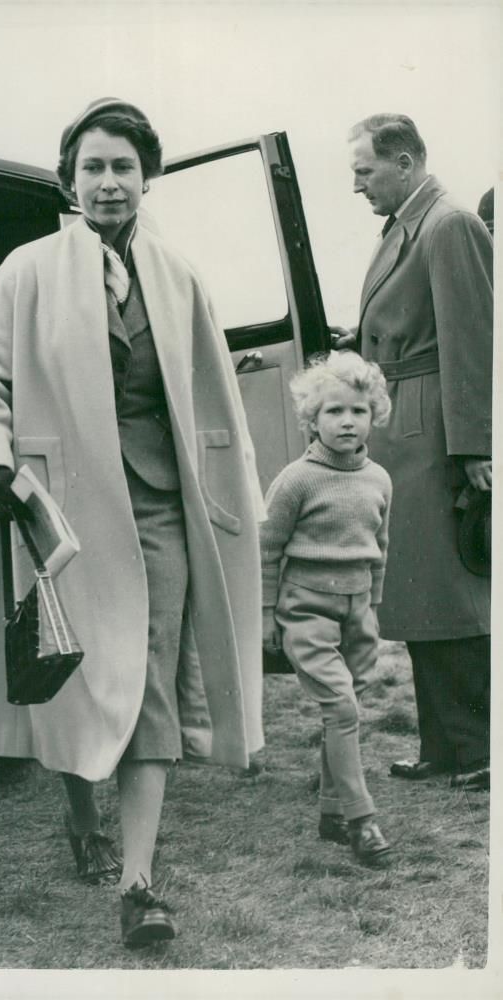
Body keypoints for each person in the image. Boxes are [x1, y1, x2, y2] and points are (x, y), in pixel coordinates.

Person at [0, 97, 266, 947]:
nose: (108, 182)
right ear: (69, 179)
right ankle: (79, 815)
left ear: (147, 177)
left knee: (150, 676)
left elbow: (213, 398)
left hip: (159, 508)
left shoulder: (177, 276)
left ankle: (139, 883)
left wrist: (231, 492)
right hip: (57, 510)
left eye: (123, 166)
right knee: (73, 674)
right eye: (92, 167)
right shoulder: (25, 271)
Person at [334, 114, 492, 791]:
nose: (357, 185)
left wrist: (475, 448)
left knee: (449, 596)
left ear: (403, 162)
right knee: (420, 595)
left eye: (363, 171)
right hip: (406, 420)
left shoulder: (449, 223)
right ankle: (444, 745)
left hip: (432, 429)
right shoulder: (408, 224)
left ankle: (480, 747)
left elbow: (474, 340)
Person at [261, 351, 393, 866]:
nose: (347, 421)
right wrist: (265, 616)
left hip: (358, 607)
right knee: (340, 708)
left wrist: (373, 610)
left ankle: (331, 812)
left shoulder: (379, 480)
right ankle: (362, 821)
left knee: (347, 710)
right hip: (307, 607)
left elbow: (380, 547)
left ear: (373, 417)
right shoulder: (296, 480)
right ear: (311, 419)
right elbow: (266, 551)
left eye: (358, 412)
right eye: (334, 412)